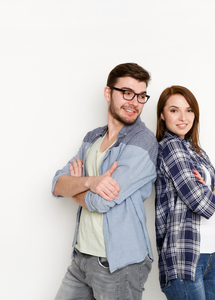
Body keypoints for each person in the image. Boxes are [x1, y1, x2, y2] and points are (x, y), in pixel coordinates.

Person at [51, 63, 158, 300]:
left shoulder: (143, 143)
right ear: (108, 93)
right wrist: (91, 182)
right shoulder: (92, 138)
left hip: (118, 265)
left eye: (141, 96)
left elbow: (101, 203)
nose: (135, 102)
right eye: (127, 93)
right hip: (81, 258)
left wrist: (76, 187)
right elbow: (58, 185)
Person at [155, 85, 215, 300]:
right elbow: (201, 204)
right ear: (162, 115)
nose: (183, 117)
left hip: (211, 257)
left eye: (189, 110)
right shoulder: (170, 147)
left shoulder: (196, 151)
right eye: (174, 110)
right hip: (185, 259)